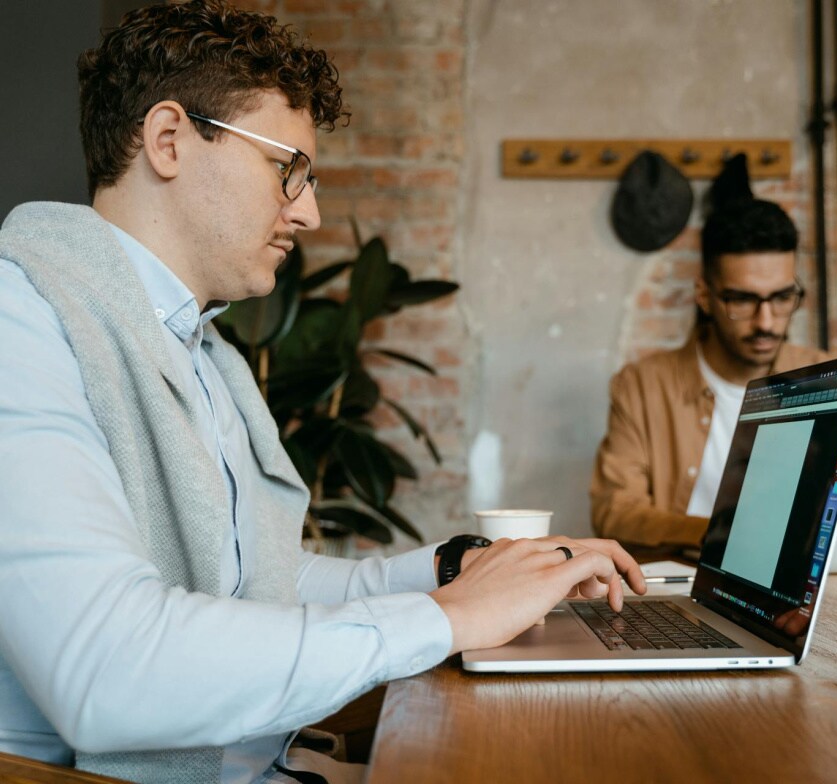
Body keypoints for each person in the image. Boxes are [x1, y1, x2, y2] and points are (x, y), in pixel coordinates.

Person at [0, 2, 646, 783]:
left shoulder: (203, 352)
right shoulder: (23, 323)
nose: (307, 210)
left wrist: (453, 570)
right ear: (168, 140)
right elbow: (105, 668)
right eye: (287, 169)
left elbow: (269, 579)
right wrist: (448, 618)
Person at [590, 184, 830, 555]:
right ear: (705, 296)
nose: (766, 321)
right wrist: (719, 533)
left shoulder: (826, 377)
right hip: (682, 582)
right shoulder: (642, 386)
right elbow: (615, 511)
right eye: (742, 299)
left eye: (782, 298)